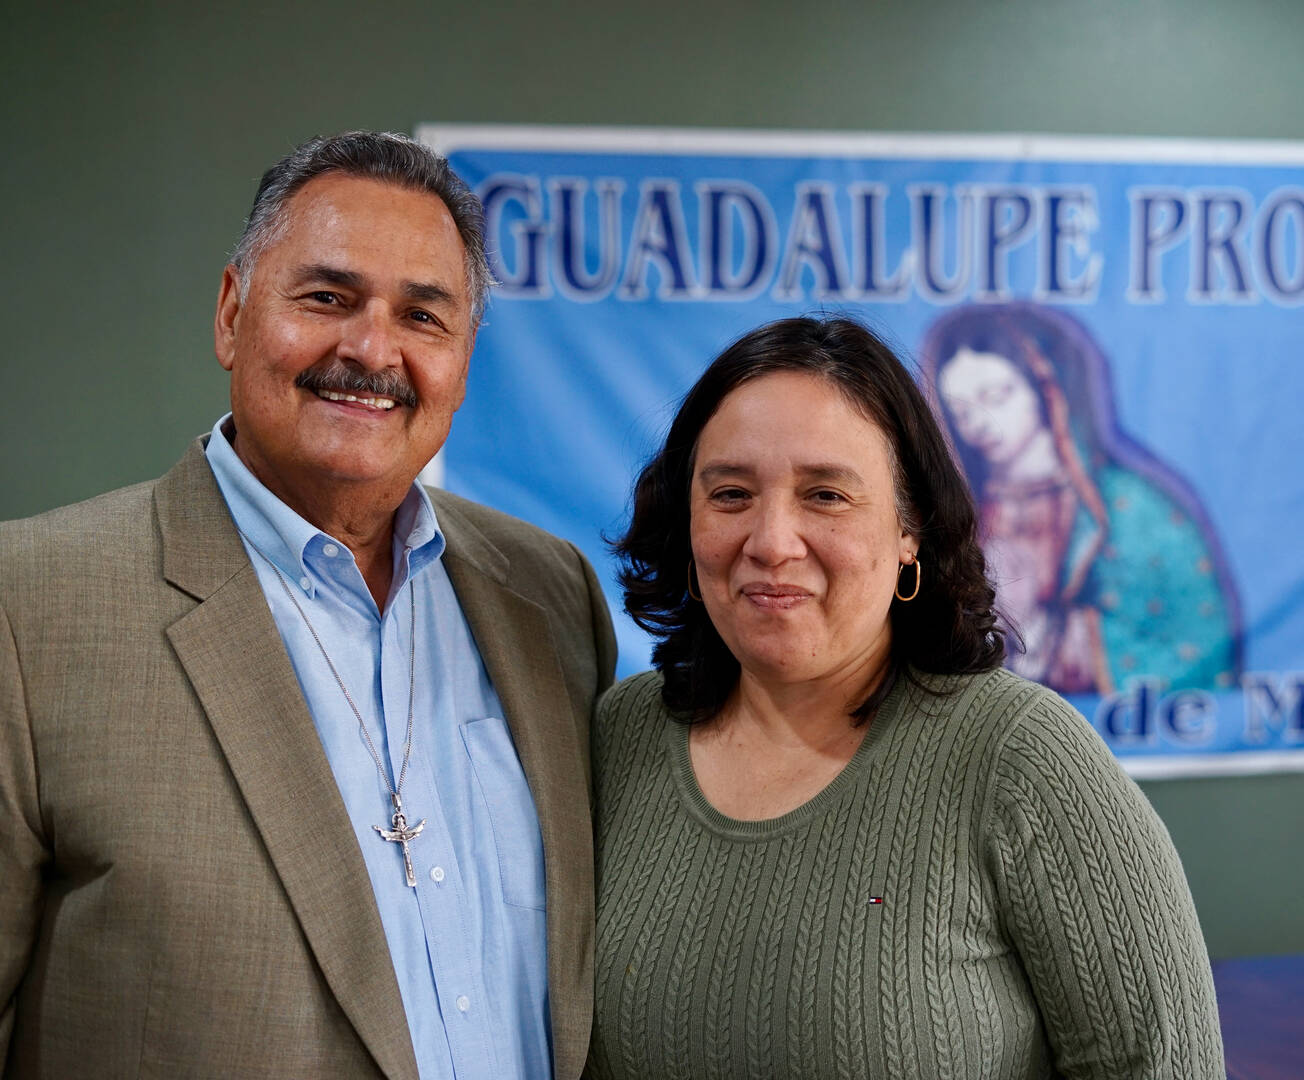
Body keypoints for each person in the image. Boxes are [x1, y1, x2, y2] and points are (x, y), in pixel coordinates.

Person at [0, 132, 615, 1079]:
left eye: (424, 316)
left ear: (463, 359)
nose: (372, 349)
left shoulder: (551, 596)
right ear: (231, 314)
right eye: (328, 298)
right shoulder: (28, 610)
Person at [588, 316, 1223, 1079]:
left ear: (909, 531)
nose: (771, 540)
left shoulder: (1024, 758)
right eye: (730, 493)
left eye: (825, 494)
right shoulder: (616, 738)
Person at [921, 303, 1242, 697]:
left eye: (996, 395)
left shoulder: (1132, 508)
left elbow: (1200, 642)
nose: (980, 423)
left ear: (1047, 388)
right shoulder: (951, 511)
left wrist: (1068, 636)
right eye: (961, 411)